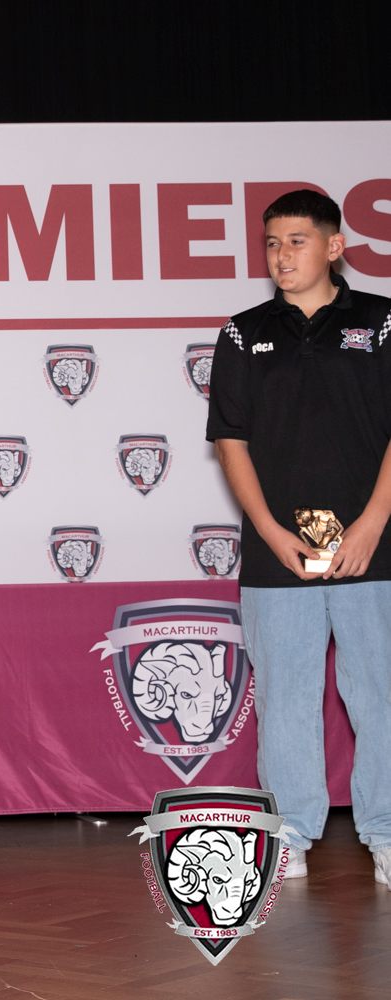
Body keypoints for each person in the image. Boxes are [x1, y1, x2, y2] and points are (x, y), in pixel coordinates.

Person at [206, 189, 391, 889]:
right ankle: (290, 834)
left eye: (296, 241)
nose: (281, 256)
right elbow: (230, 440)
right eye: (271, 243)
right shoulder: (242, 333)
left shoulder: (381, 322)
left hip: (376, 548)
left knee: (380, 695)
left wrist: (371, 524)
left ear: (335, 246)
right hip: (279, 552)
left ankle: (386, 831)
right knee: (284, 699)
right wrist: (269, 531)